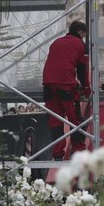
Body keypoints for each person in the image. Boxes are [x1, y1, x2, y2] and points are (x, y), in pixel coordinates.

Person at [42, 20, 90, 160]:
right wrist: (86, 89)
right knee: (74, 119)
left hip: (48, 84)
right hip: (65, 84)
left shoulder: (56, 42)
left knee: (55, 120)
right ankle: (79, 151)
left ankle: (57, 154)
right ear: (81, 32)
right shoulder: (80, 44)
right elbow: (82, 69)